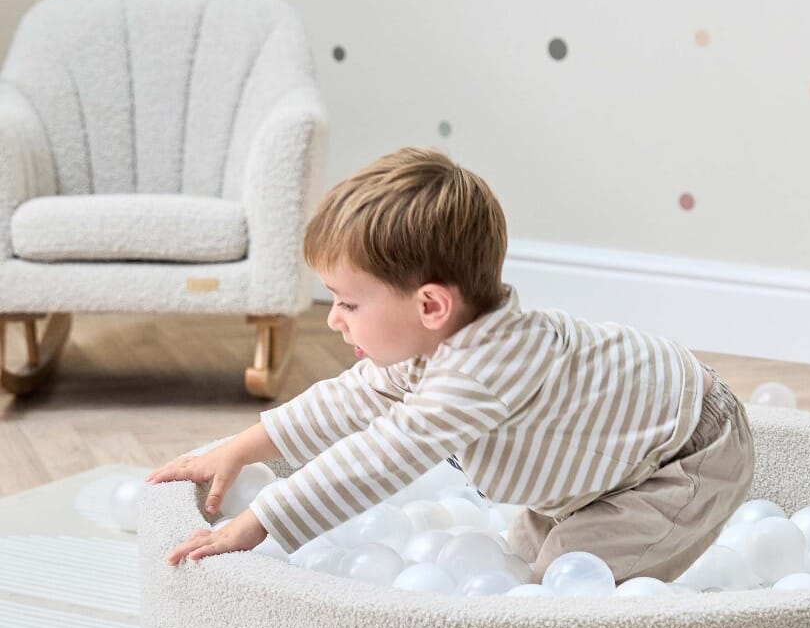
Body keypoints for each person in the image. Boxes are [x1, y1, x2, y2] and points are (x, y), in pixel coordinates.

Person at [148, 147, 755, 584]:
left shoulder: (483, 368)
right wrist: (239, 449)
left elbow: (382, 455)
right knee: (516, 561)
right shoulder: (433, 344)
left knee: (560, 585)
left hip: (685, 459)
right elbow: (348, 401)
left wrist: (261, 521)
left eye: (348, 303)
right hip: (613, 460)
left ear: (431, 306)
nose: (332, 320)